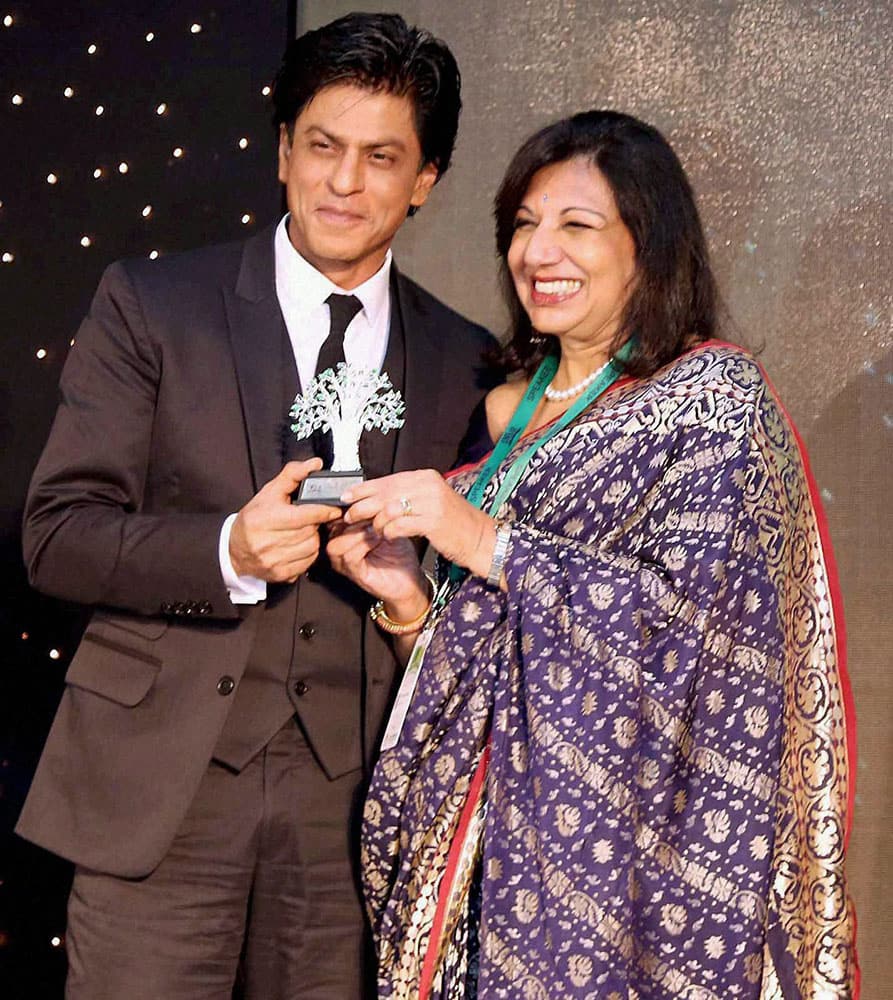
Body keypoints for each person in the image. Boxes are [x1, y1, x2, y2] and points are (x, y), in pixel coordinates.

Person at [17, 13, 495, 999]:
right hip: (159, 793)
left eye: (379, 157)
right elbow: (55, 536)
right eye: (321, 147)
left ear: (425, 180)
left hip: (349, 813)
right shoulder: (151, 305)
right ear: (282, 152)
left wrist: (411, 606)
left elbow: (479, 606)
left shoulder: (465, 360)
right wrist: (228, 547)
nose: (343, 182)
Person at [328, 110, 858, 999]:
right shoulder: (501, 413)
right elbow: (490, 666)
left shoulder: (711, 401)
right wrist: (408, 603)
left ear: (649, 246)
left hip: (632, 878)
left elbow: (693, 634)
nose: (540, 253)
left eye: (577, 225)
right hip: (477, 869)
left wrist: (483, 539)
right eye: (524, 226)